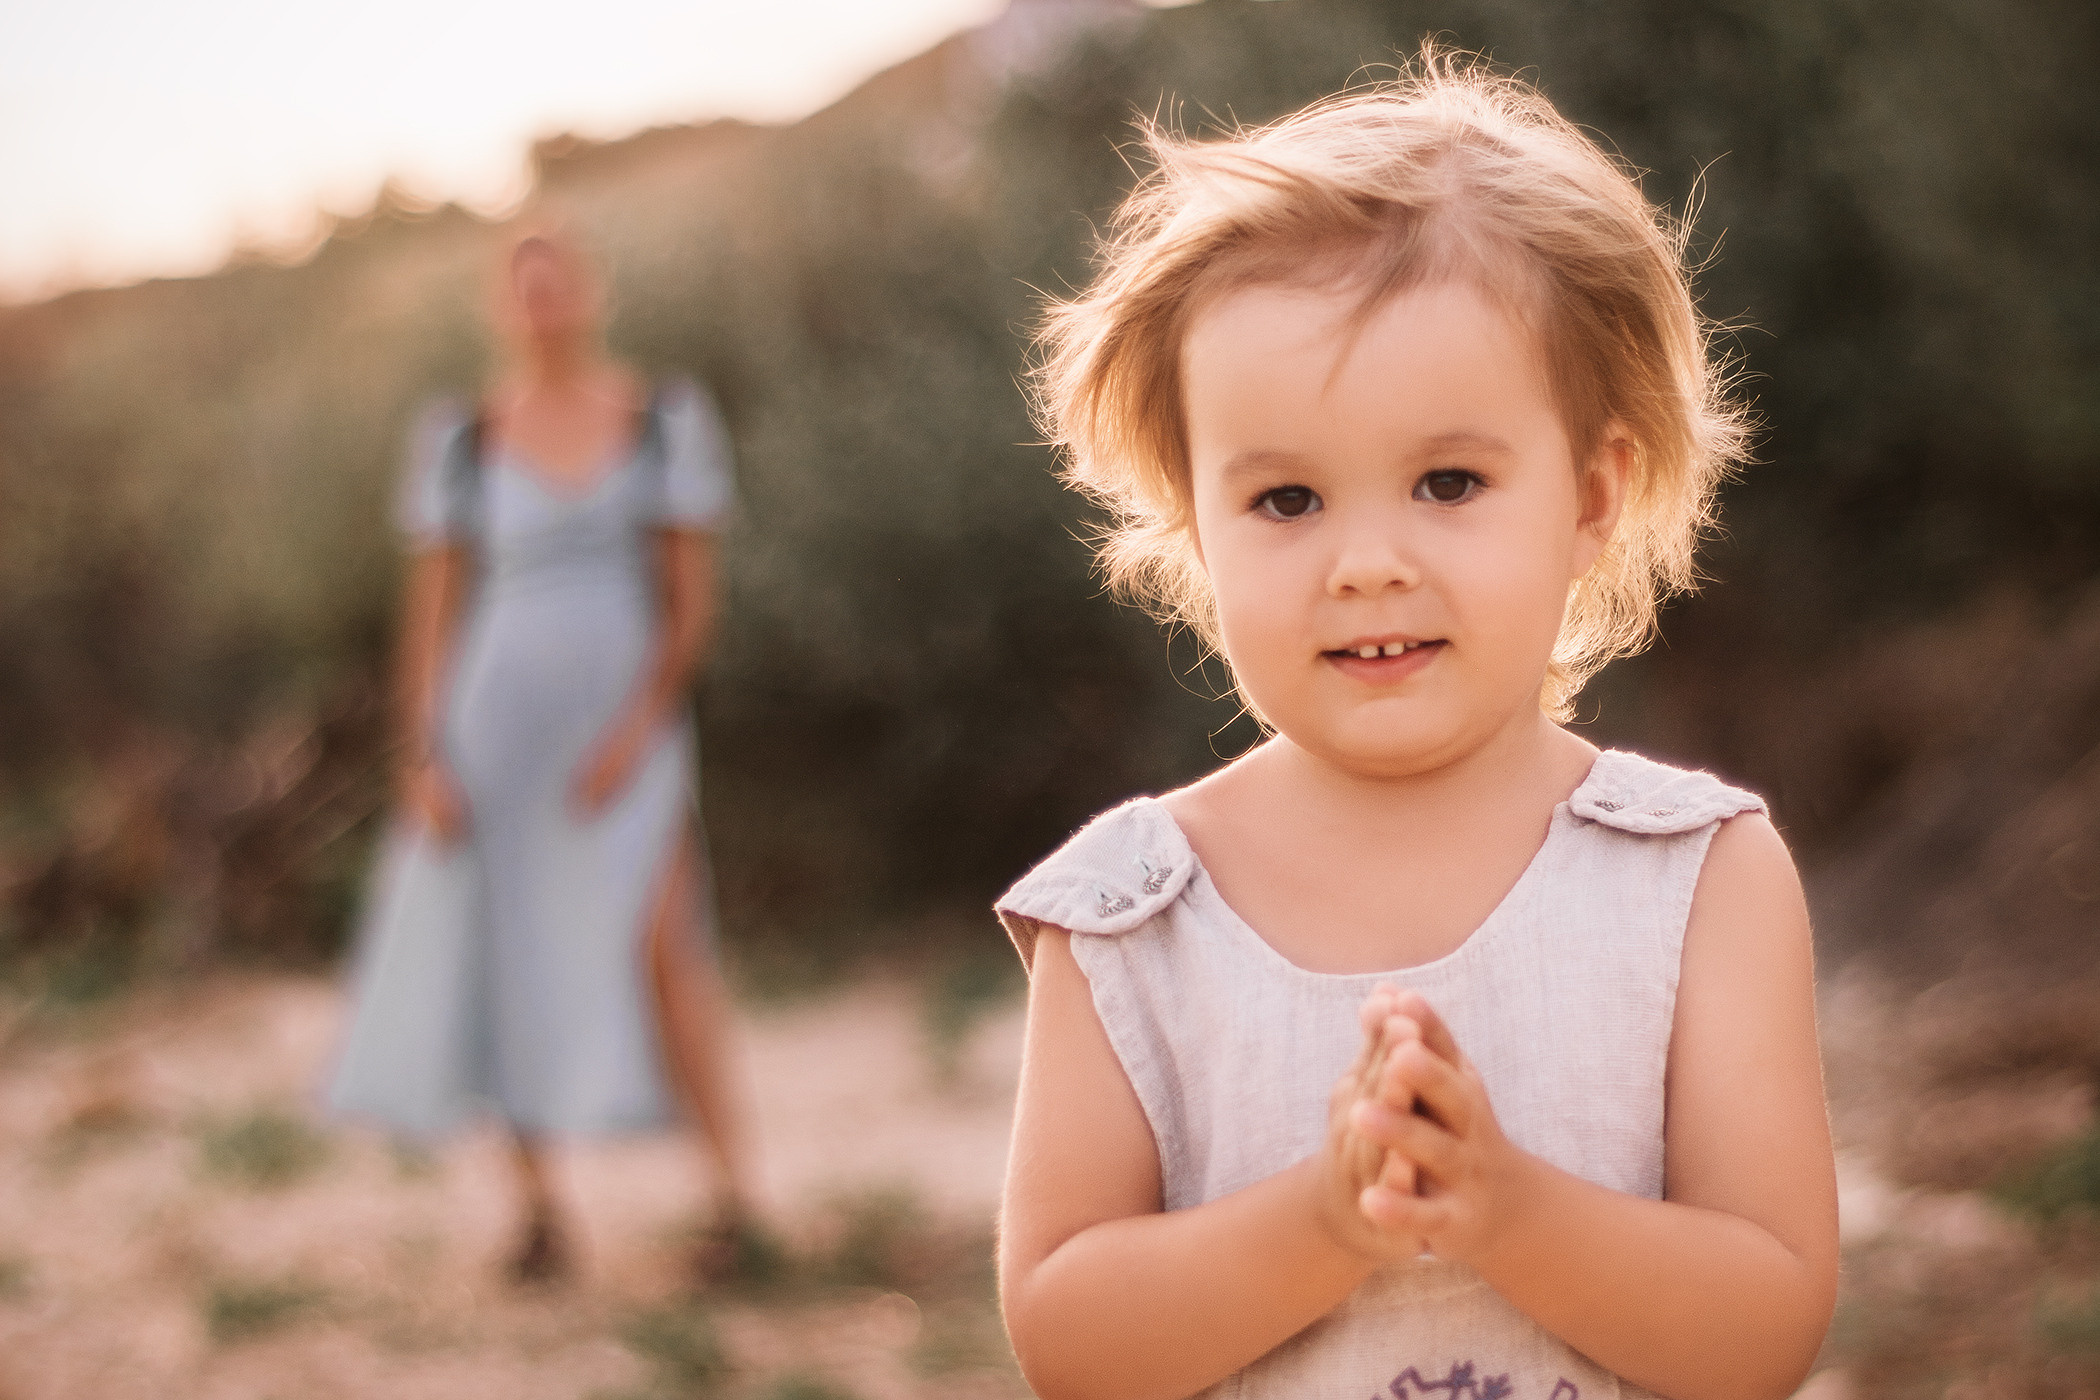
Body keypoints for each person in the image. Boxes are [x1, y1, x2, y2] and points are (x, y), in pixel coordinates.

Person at [994, 51, 1838, 1400]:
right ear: (1193, 525)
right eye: (1285, 501)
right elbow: (1070, 1345)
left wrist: (1506, 1211)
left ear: (1591, 498)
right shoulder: (1132, 915)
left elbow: (1764, 1335)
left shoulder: (1698, 879)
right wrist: (1326, 1224)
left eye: (1448, 481)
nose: (1367, 562)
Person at [327, 229, 759, 1283]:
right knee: (508, 954)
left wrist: (636, 729)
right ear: (500, 308)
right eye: (525, 289)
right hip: (496, 730)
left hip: (625, 727)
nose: (545, 303)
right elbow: (431, 612)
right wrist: (422, 752)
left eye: (560, 281)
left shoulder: (663, 418)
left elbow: (689, 606)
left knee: (666, 948)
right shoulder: (460, 436)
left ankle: (734, 1203)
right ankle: (539, 1214)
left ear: (591, 292)